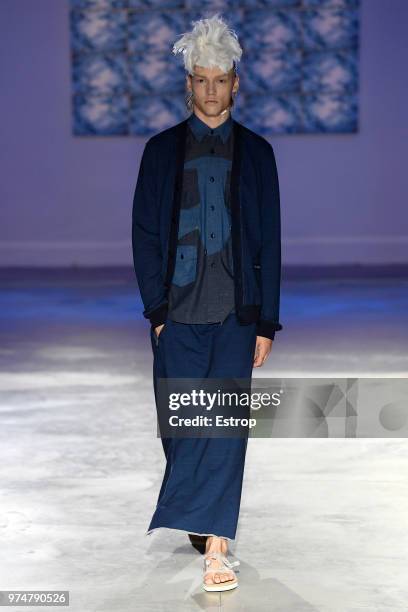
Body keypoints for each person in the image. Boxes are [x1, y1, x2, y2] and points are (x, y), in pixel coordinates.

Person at [132, 13, 282, 592]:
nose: (212, 89)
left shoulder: (259, 154)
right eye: (202, 79)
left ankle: (217, 547)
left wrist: (265, 319)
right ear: (189, 83)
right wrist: (158, 313)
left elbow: (270, 239)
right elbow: (145, 233)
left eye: (221, 79)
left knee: (223, 425)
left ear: (237, 82)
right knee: (183, 426)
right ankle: (203, 510)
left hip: (234, 313)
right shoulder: (160, 152)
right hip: (178, 313)